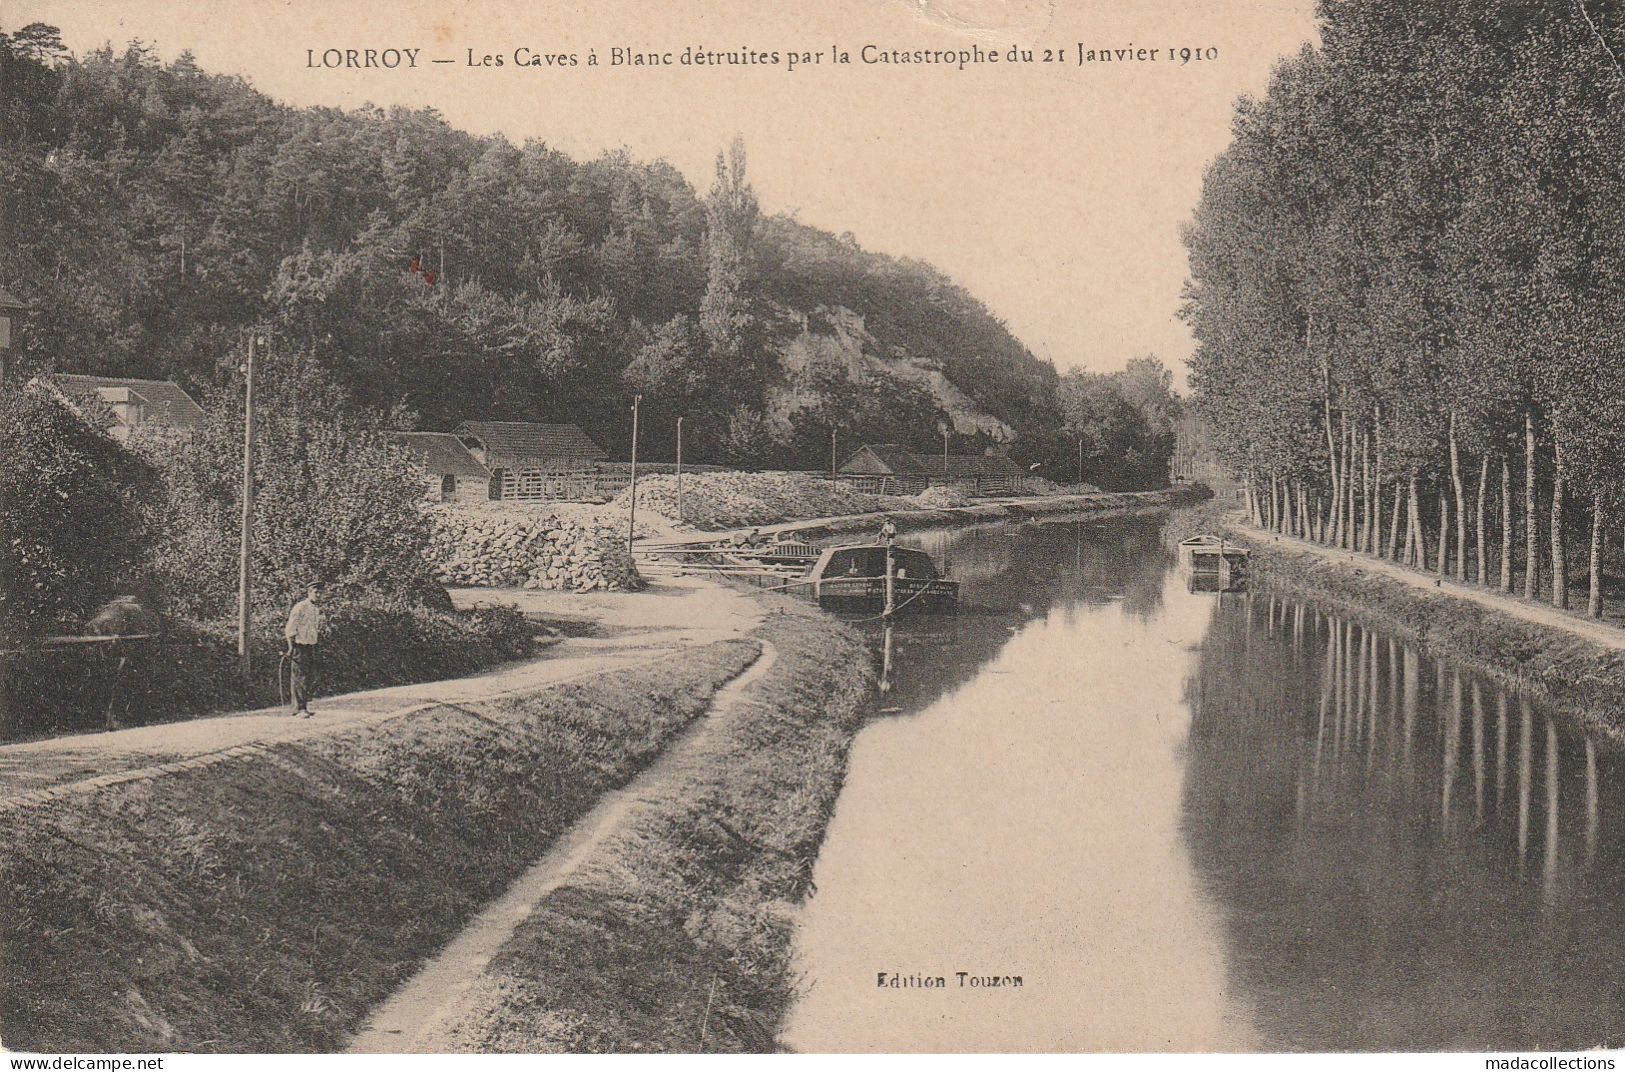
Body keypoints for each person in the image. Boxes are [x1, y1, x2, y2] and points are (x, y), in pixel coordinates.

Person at [283, 581, 324, 717]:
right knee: (300, 677)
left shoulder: (316, 609)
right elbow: (290, 629)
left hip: (310, 646)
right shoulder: (300, 607)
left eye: (320, 592)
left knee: (308, 677)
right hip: (299, 646)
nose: (318, 595)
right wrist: (290, 647)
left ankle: (301, 706)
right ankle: (300, 709)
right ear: (309, 592)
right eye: (315, 592)